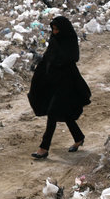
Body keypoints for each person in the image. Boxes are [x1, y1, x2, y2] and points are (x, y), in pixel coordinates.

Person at [27, 16, 91, 159]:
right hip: (54, 81)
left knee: (52, 113)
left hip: (67, 81)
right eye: (53, 29)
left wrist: (58, 62)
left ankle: (44, 148)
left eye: (57, 29)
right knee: (65, 113)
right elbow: (48, 57)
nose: (54, 32)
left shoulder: (69, 39)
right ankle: (79, 138)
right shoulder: (54, 39)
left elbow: (73, 57)